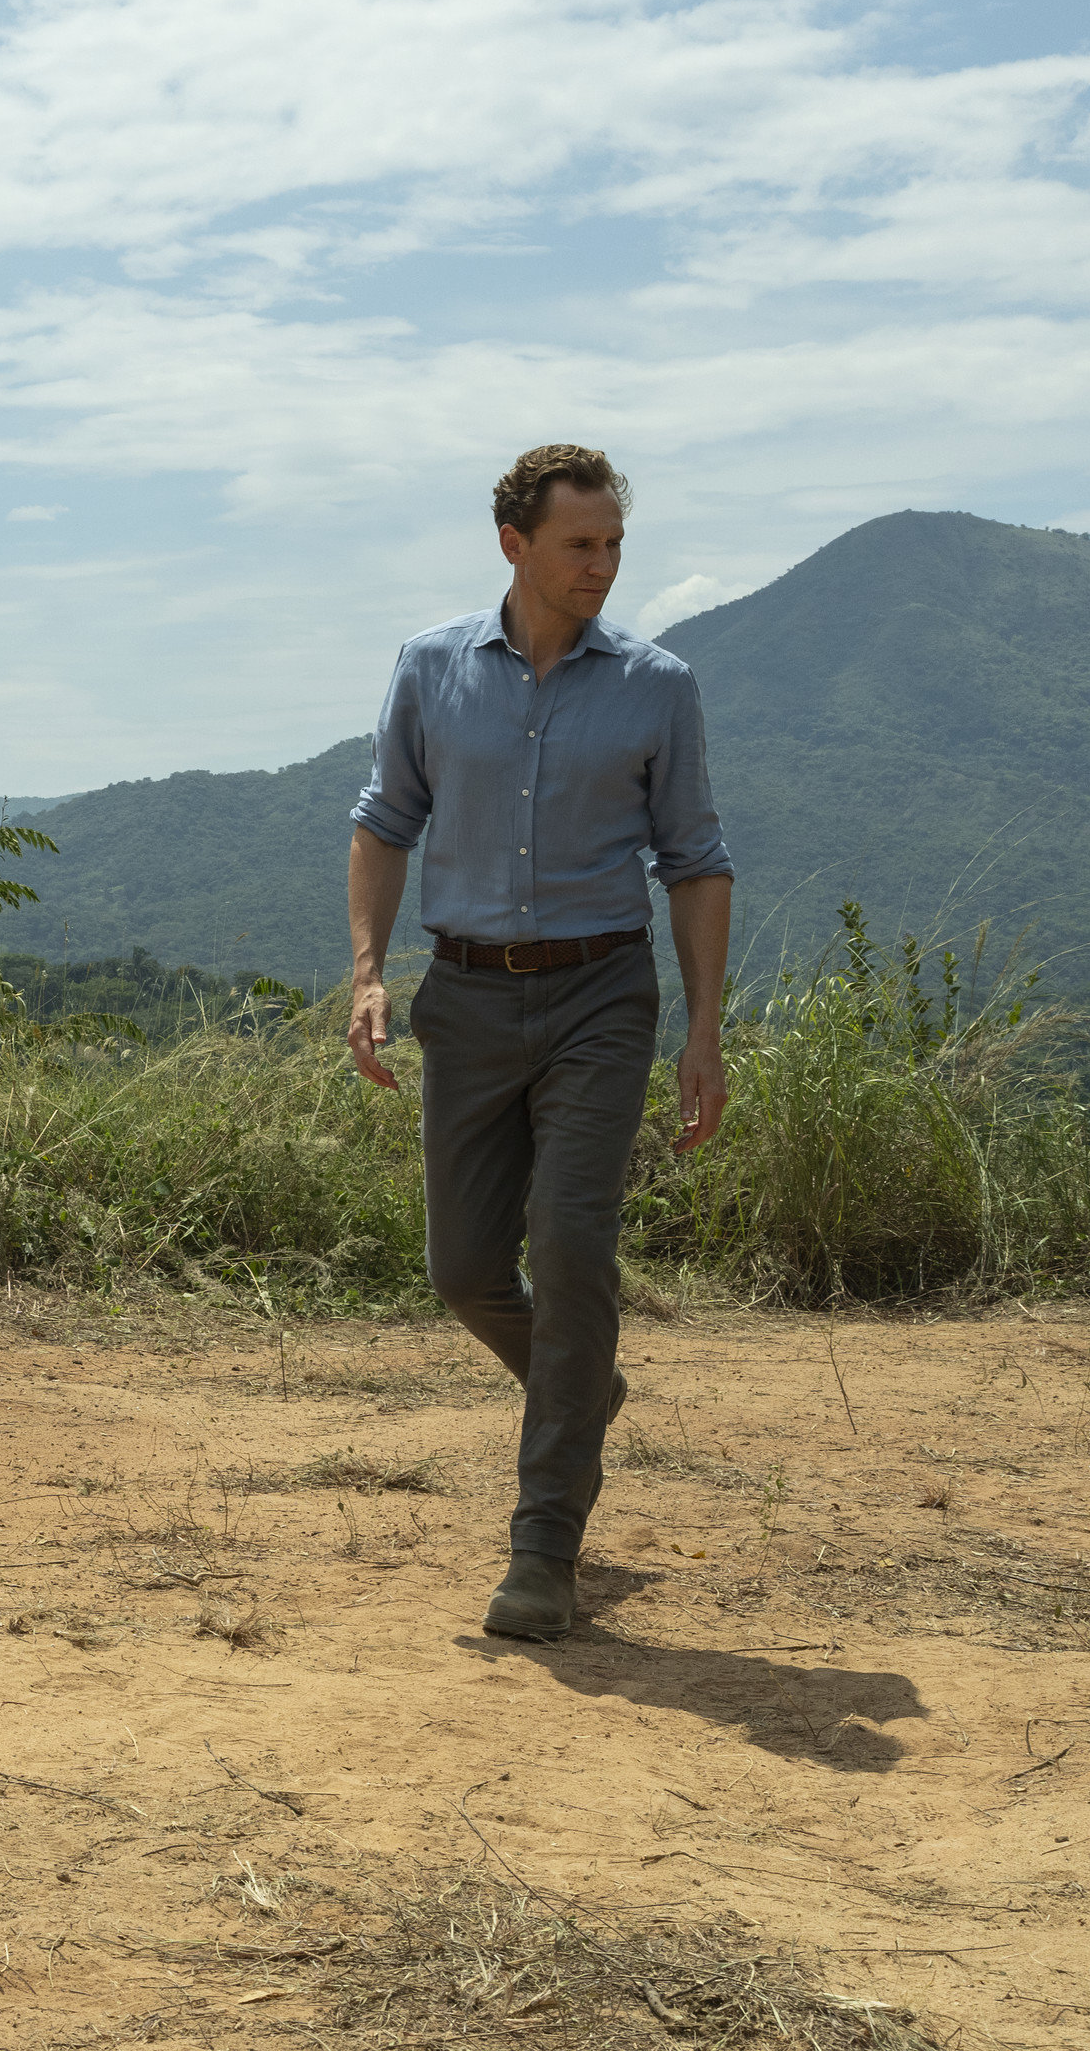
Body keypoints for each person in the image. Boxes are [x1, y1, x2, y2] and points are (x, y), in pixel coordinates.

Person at [343, 443, 732, 1642]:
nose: (603, 564)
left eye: (614, 542)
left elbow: (697, 859)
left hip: (601, 997)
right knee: (464, 1268)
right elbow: (382, 823)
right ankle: (582, 1380)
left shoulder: (658, 685)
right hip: (462, 996)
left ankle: (544, 1544)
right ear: (515, 543)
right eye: (581, 543)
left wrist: (704, 1027)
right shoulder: (429, 667)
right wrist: (366, 971)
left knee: (571, 1248)